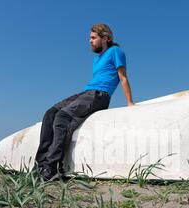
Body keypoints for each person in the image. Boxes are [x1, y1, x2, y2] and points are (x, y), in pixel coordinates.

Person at [35, 23, 134, 181]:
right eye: (90, 38)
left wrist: (130, 102)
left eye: (93, 37)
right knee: (50, 113)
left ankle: (53, 166)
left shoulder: (115, 51)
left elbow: (123, 77)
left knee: (62, 116)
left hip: (100, 95)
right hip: (87, 92)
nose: (90, 41)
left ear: (106, 38)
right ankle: (41, 164)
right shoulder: (96, 60)